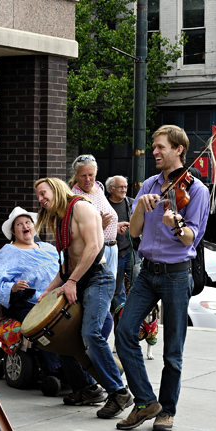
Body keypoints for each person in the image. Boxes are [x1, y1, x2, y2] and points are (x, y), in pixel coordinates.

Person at [114, 125, 209, 431]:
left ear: (178, 149)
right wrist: (141, 204)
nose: (154, 152)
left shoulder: (196, 190)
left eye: (160, 147)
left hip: (176, 275)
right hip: (147, 272)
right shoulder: (151, 185)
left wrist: (176, 225)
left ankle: (166, 411)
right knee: (125, 332)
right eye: (154, 147)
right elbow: (136, 231)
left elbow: (189, 238)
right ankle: (145, 401)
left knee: (172, 351)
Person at [34, 177, 133, 418]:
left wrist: (72, 282)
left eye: (43, 193)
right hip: (78, 279)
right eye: (37, 195)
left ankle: (119, 391)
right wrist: (48, 291)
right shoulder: (60, 217)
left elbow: (93, 247)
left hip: (97, 278)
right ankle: (87, 388)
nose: (40, 199)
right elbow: (67, 264)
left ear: (56, 189)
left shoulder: (81, 207)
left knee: (91, 334)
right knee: (62, 335)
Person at [0, 207, 62, 374]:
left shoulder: (48, 248)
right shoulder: (8, 252)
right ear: (13, 231)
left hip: (57, 298)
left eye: (27, 222)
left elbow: (66, 268)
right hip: (28, 302)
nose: (24, 226)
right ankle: (56, 369)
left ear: (33, 226)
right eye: (19, 224)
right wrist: (12, 287)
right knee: (45, 326)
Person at [68, 155, 119, 281]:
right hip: (96, 252)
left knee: (111, 293)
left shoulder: (99, 187)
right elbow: (74, 231)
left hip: (113, 248)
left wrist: (116, 225)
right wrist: (99, 227)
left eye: (91, 175)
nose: (88, 180)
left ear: (96, 172)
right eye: (83, 175)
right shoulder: (74, 197)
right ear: (75, 174)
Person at [105, 175, 135, 311]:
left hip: (131, 250)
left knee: (139, 279)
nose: (124, 190)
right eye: (121, 187)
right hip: (114, 252)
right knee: (117, 289)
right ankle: (120, 314)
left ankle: (136, 312)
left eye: (125, 187)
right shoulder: (104, 205)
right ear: (111, 189)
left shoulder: (131, 203)